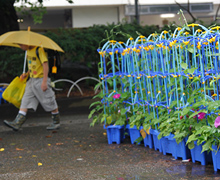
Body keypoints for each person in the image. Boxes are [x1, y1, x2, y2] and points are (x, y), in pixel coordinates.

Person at [4, 44, 60, 131]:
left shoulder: (39, 50)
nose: (20, 47)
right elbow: (32, 66)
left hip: (41, 79)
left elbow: (45, 65)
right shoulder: (28, 51)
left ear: (27, 43)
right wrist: (26, 74)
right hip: (32, 80)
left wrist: (44, 81)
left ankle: (56, 121)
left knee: (48, 100)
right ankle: (17, 123)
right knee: (26, 99)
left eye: (21, 45)